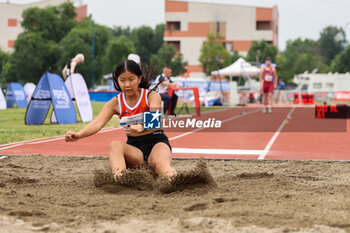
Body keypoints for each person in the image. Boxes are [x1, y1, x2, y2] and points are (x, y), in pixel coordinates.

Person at [65, 60, 177, 181]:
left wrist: (142, 126)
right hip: (135, 150)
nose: (127, 84)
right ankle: (121, 180)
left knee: (159, 164)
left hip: (157, 143)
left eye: (131, 79)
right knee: (115, 145)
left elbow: (155, 119)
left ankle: (178, 181)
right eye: (122, 80)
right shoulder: (115, 103)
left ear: (139, 79)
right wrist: (79, 135)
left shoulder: (151, 96)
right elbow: (97, 123)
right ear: (117, 81)